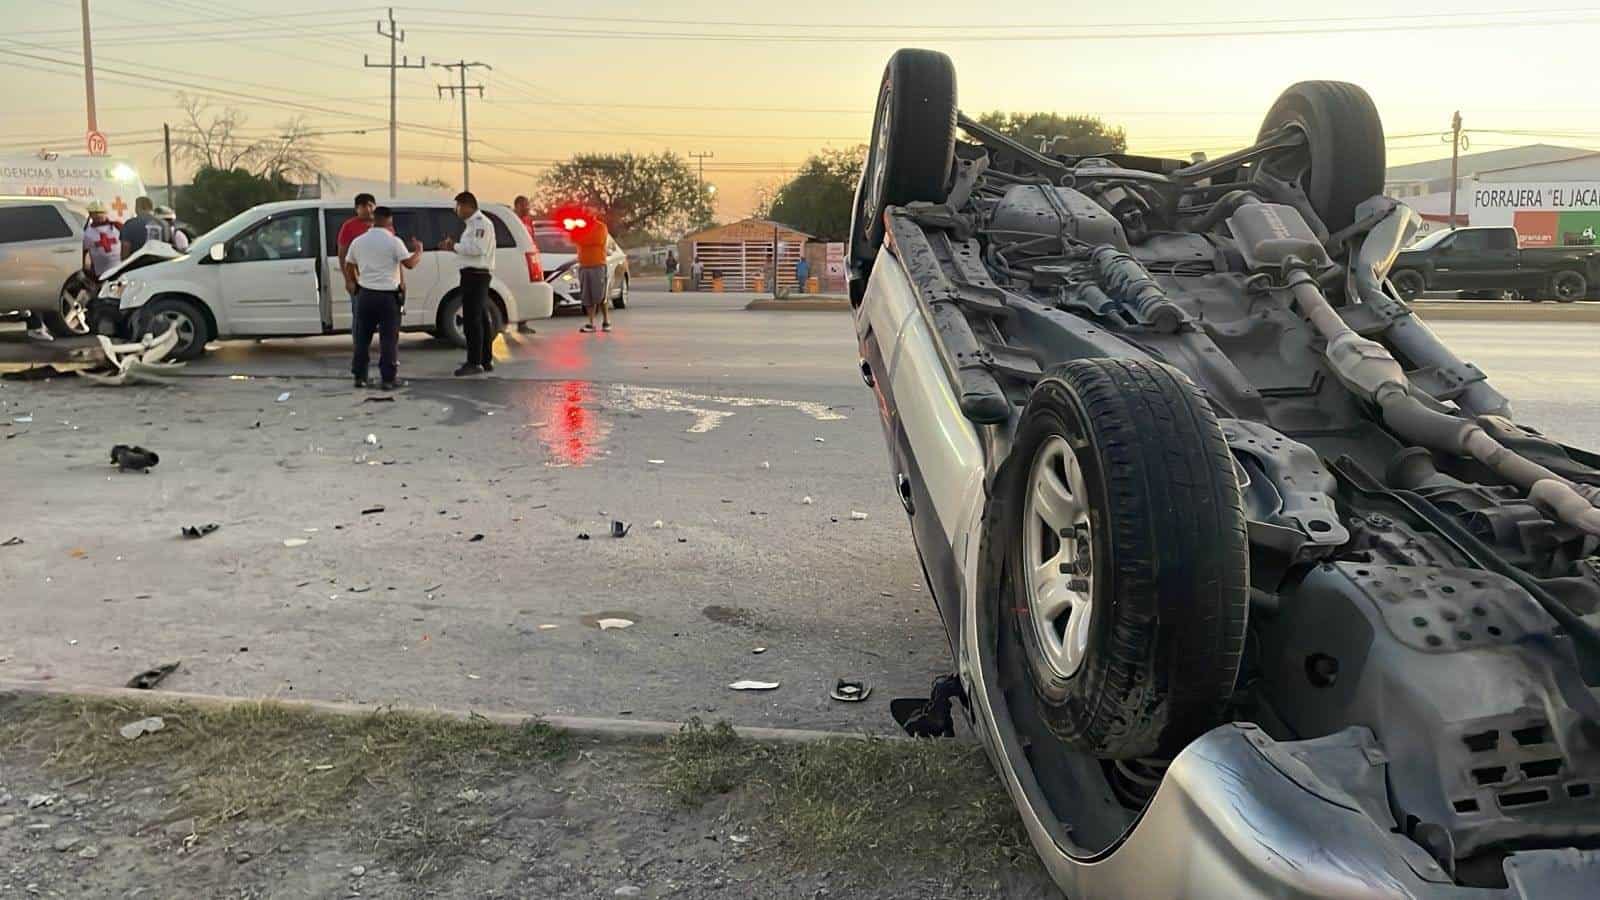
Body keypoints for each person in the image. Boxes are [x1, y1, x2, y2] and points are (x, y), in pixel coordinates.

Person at [343, 207, 422, 390]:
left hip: (365, 295)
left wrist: (353, 282)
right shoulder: (393, 241)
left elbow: (349, 265)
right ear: (389, 221)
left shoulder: (359, 241)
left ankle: (360, 377)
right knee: (388, 339)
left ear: (373, 219)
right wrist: (418, 251)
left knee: (362, 338)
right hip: (388, 297)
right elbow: (409, 264)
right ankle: (388, 379)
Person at [438, 191, 497, 375]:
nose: (457, 210)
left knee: (472, 320)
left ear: (467, 205)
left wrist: (453, 246)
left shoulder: (480, 224)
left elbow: (476, 249)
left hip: (476, 275)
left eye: (458, 206)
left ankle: (474, 362)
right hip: (472, 274)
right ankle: (485, 359)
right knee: (480, 318)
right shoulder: (471, 225)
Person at [337, 194, 378, 336]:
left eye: (371, 205)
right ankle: (359, 350)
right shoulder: (349, 226)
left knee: (385, 318)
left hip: (382, 280)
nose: (368, 209)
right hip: (359, 281)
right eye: (363, 206)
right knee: (360, 317)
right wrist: (348, 280)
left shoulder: (384, 224)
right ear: (356, 209)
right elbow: (343, 255)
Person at [570, 211, 612, 333]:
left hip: (598, 265)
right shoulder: (578, 227)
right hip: (584, 265)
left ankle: (606, 321)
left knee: (600, 295)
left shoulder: (601, 227)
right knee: (587, 296)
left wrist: (582, 238)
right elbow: (573, 239)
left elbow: (596, 240)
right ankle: (590, 323)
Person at [83, 201, 122, 280]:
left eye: (101, 212)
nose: (98, 215)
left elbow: (127, 243)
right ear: (90, 215)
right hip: (101, 272)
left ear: (105, 213)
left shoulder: (117, 226)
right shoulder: (87, 232)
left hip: (119, 268)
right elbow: (83, 251)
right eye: (95, 212)